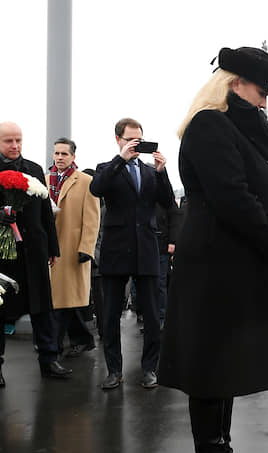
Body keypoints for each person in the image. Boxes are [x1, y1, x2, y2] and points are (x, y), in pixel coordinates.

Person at [159, 46, 268, 453]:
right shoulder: (210, 125)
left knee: (224, 364)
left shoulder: (236, 128)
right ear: (235, 84)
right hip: (215, 262)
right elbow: (232, 197)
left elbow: (259, 193)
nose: (265, 103)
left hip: (231, 260)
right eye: (261, 92)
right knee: (210, 366)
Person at [0, 122, 71, 387]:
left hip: (33, 250)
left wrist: (52, 248)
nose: (15, 146)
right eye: (9, 141)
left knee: (42, 308)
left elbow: (45, 212)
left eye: (18, 140)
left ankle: (49, 359)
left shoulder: (33, 169)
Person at [89, 118, 175, 390]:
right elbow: (96, 188)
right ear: (118, 140)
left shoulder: (150, 172)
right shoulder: (107, 168)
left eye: (140, 140)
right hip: (116, 248)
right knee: (111, 314)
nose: (136, 145)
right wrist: (121, 159)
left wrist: (161, 172)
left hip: (146, 247)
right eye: (130, 140)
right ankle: (114, 370)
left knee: (152, 313)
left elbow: (168, 201)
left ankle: (150, 368)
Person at [47, 138, 100, 358]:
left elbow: (92, 219)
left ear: (73, 156)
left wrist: (86, 248)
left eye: (64, 154)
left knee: (65, 301)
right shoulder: (45, 180)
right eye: (57, 153)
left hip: (71, 249)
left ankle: (55, 346)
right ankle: (80, 340)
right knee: (62, 300)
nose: (59, 157)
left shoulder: (86, 181)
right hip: (50, 248)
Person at [155, 198, 182, 325]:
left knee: (160, 283)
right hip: (158, 244)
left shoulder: (166, 200)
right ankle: (158, 317)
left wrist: (172, 241)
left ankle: (161, 317)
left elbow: (175, 221)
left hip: (161, 245)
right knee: (157, 284)